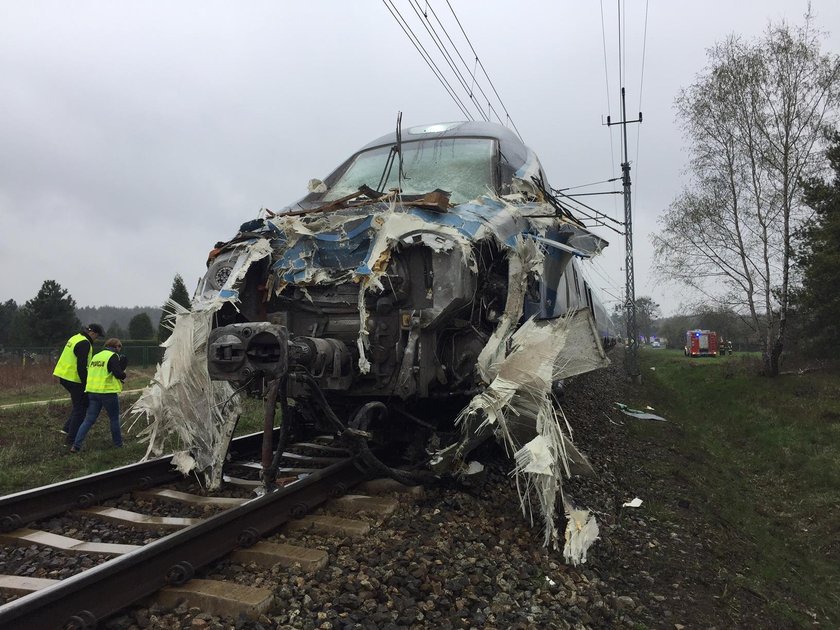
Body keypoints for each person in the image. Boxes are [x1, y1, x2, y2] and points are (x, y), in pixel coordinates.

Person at [70, 338, 127, 453]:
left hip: (93, 392)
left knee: (88, 420)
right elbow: (118, 374)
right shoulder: (113, 356)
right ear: (115, 347)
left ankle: (76, 446)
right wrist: (124, 373)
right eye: (119, 346)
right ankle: (118, 445)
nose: (120, 349)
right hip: (107, 392)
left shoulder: (96, 356)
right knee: (114, 419)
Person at [52, 324, 105, 443]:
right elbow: (81, 367)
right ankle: (71, 440)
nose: (96, 339)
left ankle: (66, 429)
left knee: (79, 404)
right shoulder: (85, 343)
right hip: (74, 379)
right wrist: (87, 385)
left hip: (64, 376)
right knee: (80, 409)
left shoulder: (75, 337)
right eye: (97, 336)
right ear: (93, 333)